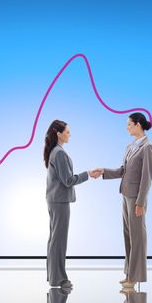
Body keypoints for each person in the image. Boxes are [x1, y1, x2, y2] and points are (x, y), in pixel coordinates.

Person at [44, 119, 102, 288]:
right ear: (59, 134)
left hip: (55, 200)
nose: (70, 134)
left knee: (54, 239)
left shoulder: (54, 151)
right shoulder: (59, 153)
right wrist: (88, 174)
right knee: (59, 241)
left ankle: (54, 277)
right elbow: (68, 181)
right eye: (67, 132)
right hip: (60, 201)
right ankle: (59, 279)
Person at [101, 112, 152, 289]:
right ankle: (129, 274)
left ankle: (136, 276)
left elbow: (146, 178)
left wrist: (141, 202)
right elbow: (122, 170)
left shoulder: (148, 147)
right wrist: (103, 171)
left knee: (138, 237)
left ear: (138, 125)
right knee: (128, 236)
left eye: (129, 124)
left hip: (135, 199)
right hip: (125, 195)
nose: (127, 127)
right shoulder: (131, 146)